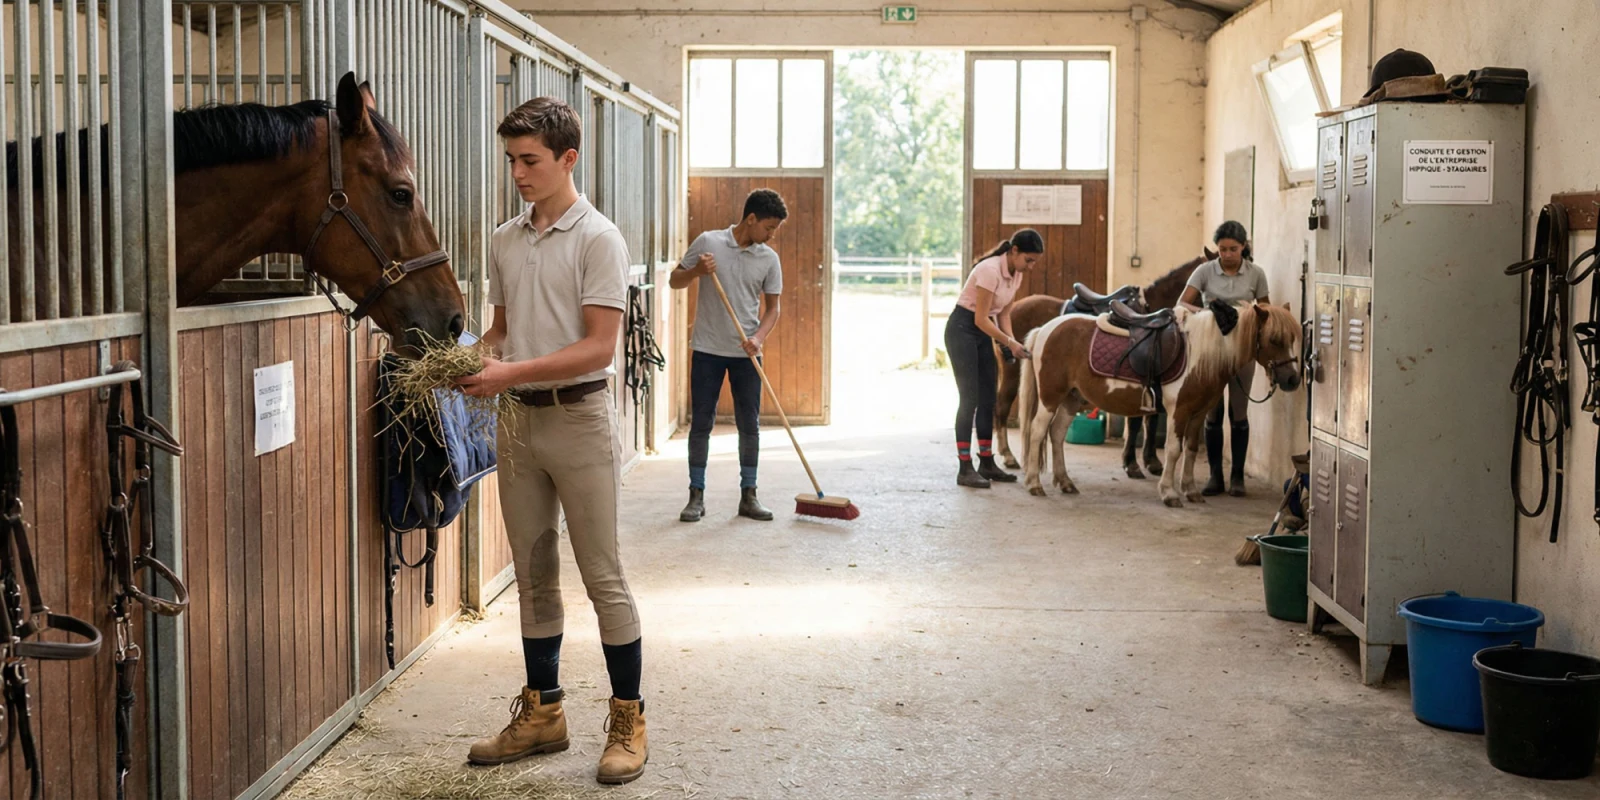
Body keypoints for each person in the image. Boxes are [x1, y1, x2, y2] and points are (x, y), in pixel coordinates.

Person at [454, 97, 647, 786]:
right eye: (510, 160)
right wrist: (471, 358)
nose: (517, 173)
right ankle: (544, 713)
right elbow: (503, 329)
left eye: (529, 160)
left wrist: (508, 369)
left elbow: (598, 347)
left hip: (578, 420)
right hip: (518, 424)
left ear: (568, 158)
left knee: (603, 575)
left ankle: (628, 718)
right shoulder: (506, 238)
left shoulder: (599, 238)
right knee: (534, 576)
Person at [670, 189, 787, 523]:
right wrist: (696, 272)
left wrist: (759, 337)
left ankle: (749, 495)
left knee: (749, 425)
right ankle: (696, 496)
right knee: (702, 424)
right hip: (707, 349)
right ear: (751, 219)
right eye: (768, 227)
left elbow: (774, 308)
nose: (770, 235)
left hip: (746, 353)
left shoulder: (768, 259)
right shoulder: (709, 242)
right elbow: (675, 281)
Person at [1179, 220, 1271, 497]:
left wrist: (1248, 312)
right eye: (1222, 249)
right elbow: (1182, 302)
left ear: (1244, 247)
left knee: (1239, 412)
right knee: (1212, 411)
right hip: (1211, 350)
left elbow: (1265, 310)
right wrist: (1209, 312)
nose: (1227, 254)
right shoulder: (1205, 270)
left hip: (1242, 350)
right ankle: (1215, 476)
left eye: (1233, 249)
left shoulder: (1256, 274)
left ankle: (1238, 477)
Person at [946, 228, 1043, 489]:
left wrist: (1010, 343)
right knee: (969, 400)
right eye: (1028, 260)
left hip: (982, 331)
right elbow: (979, 317)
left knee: (989, 399)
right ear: (1014, 251)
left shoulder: (1016, 275)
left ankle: (986, 462)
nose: (1031, 266)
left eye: (1034, 261)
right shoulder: (989, 270)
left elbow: (1004, 315)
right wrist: (1007, 342)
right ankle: (964, 467)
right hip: (963, 329)